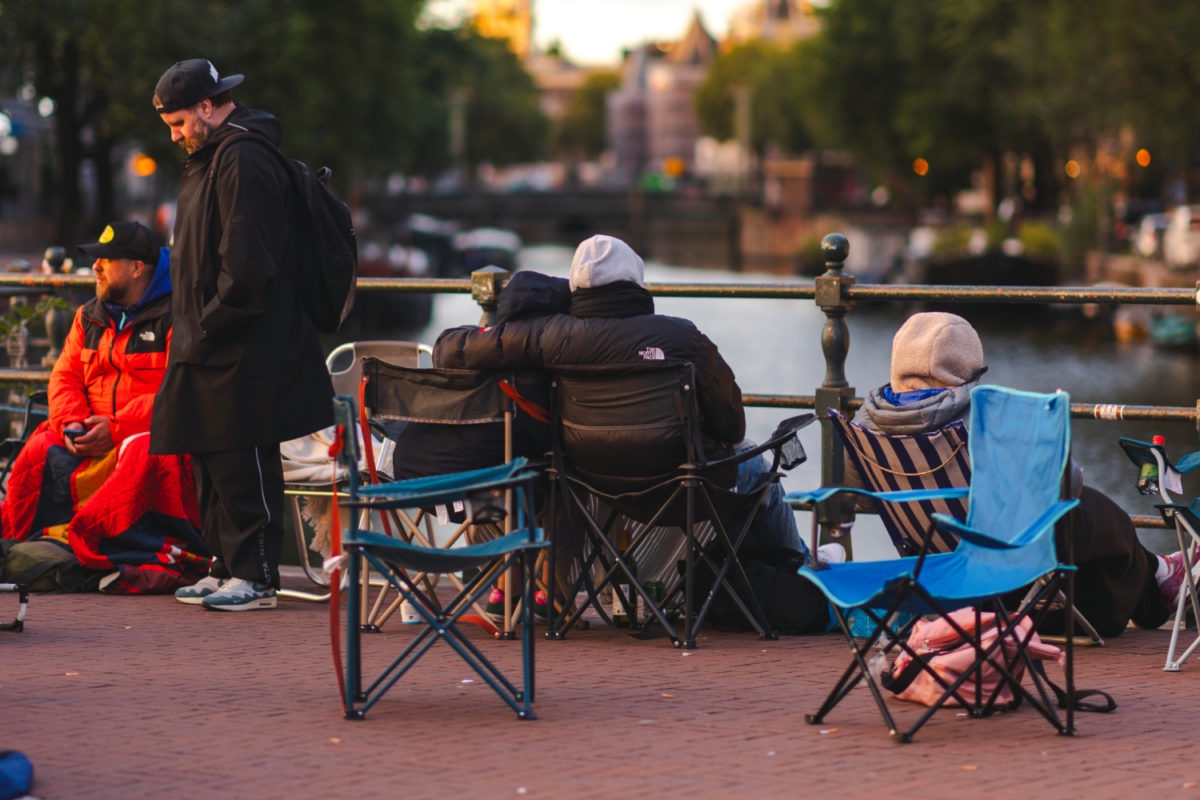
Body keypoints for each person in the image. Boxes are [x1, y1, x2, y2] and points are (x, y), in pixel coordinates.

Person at [435, 234, 837, 632]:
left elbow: (452, 350)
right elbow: (732, 424)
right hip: (679, 484)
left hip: (592, 480)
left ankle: (773, 586)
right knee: (761, 472)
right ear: (636, 283)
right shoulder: (683, 337)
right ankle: (804, 577)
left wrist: (473, 335)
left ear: (575, 287)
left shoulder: (549, 335)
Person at [853, 311, 1190, 636]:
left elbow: (858, 492)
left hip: (937, 564)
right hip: (1003, 565)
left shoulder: (865, 425)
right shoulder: (983, 421)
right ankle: (1160, 581)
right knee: (1094, 511)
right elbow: (1066, 486)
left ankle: (1160, 576)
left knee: (1085, 523)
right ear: (967, 373)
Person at [150, 58, 333, 610]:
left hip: (240, 337)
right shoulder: (213, 155)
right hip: (207, 332)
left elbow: (247, 262)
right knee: (207, 450)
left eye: (179, 122)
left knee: (241, 450)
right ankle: (224, 564)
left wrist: (208, 322)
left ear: (207, 106)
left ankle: (255, 576)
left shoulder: (244, 156)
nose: (175, 135)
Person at [1, 221, 210, 594]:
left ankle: (97, 546)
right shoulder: (88, 316)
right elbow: (63, 378)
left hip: (152, 435)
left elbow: (180, 392)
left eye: (106, 260)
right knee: (39, 446)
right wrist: (74, 424)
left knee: (138, 451)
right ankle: (26, 542)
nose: (95, 267)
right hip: (94, 432)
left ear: (136, 268)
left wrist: (116, 429)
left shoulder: (179, 316)